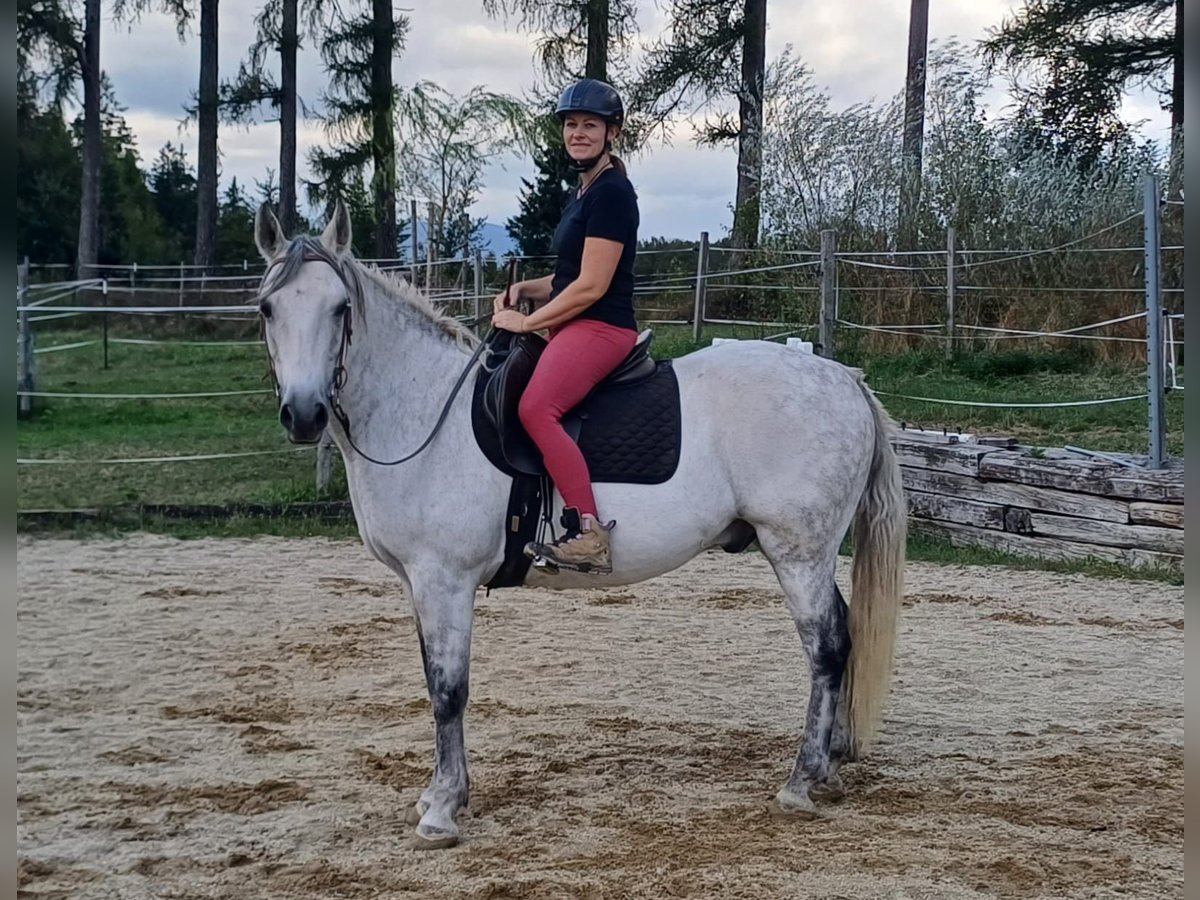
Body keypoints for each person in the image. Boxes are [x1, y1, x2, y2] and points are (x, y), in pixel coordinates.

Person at [491, 78, 640, 575]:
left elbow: (592, 286)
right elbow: (569, 275)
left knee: (536, 408)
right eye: (571, 125)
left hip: (600, 326)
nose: (578, 133)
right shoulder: (586, 191)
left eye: (589, 125)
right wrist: (528, 290)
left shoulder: (613, 195)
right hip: (579, 320)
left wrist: (527, 321)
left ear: (611, 132)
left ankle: (587, 532)